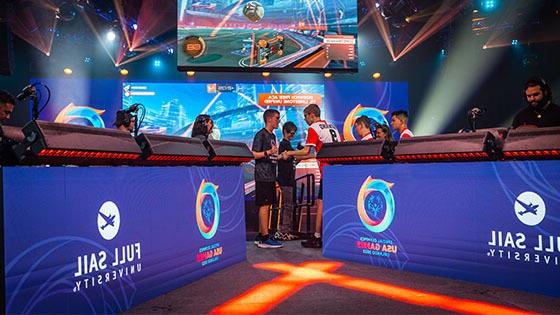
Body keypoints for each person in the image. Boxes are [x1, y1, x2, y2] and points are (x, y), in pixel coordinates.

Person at [284, 103, 341, 249]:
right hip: (337, 170)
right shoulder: (332, 126)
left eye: (305, 116)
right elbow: (312, 153)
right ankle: (332, 234)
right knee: (331, 203)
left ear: (311, 114)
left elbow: (305, 151)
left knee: (321, 203)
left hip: (326, 170)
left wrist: (289, 153)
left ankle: (317, 237)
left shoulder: (313, 128)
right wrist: (297, 158)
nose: (305, 120)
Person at [251, 109, 283, 249]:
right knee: (264, 206)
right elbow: (253, 154)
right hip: (262, 175)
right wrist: (268, 152)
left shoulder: (273, 136)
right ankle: (264, 237)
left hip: (270, 176)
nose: (278, 120)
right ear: (269, 119)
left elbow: (273, 158)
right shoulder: (260, 135)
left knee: (268, 205)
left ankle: (261, 235)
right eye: (277, 118)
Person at [275, 121, 299, 241]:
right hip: (285, 180)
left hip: (288, 179)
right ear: (285, 131)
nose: (292, 135)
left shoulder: (287, 145)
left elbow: (292, 160)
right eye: (291, 133)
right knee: (287, 206)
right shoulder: (284, 144)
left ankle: (284, 230)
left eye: (294, 133)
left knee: (287, 206)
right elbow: (284, 158)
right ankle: (284, 231)